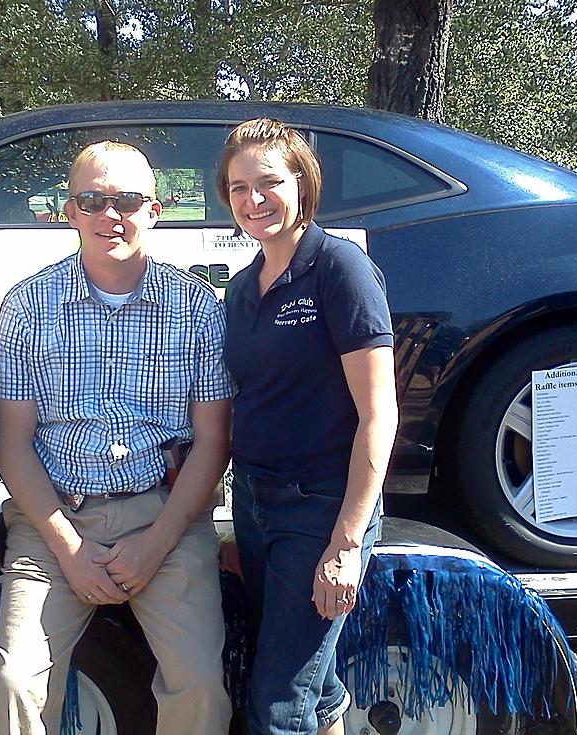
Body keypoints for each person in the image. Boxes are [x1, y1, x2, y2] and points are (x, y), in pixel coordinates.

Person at [0, 141, 233, 735]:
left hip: (165, 517)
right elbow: (12, 443)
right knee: (17, 681)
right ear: (68, 212)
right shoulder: (27, 304)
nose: (109, 215)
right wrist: (68, 548)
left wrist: (155, 544)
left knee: (198, 682)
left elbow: (212, 442)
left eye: (126, 200)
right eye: (92, 200)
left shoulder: (197, 305)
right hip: (54, 521)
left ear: (156, 210)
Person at [217, 118, 399, 735]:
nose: (254, 199)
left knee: (277, 705)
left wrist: (346, 544)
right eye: (239, 187)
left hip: (320, 508)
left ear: (303, 184)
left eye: (269, 181)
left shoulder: (339, 270)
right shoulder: (242, 289)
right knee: (312, 687)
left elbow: (379, 414)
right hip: (256, 504)